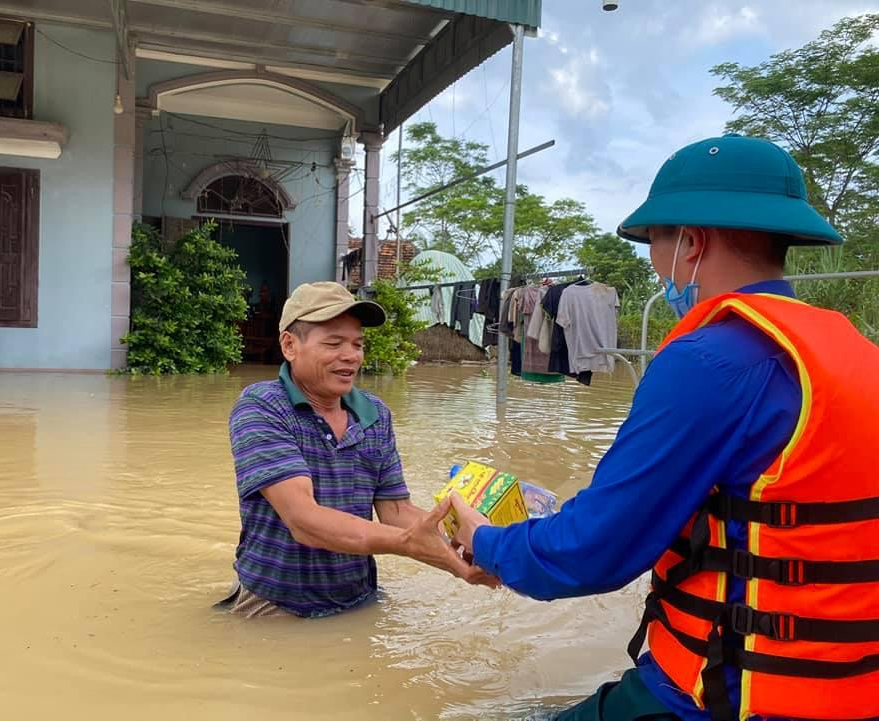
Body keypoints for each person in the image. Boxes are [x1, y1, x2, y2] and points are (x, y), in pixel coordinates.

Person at [448, 135, 879, 721]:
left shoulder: (710, 360)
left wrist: (487, 542)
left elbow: (593, 554)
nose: (658, 267)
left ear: (692, 244)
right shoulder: (850, 349)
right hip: (849, 688)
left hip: (727, 696)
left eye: (657, 243)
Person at [221, 281, 494, 619]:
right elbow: (304, 521)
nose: (351, 356)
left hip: (359, 596)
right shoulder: (262, 407)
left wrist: (474, 544)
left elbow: (396, 511)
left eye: (357, 344)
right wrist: (409, 543)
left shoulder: (374, 414)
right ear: (290, 346)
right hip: (276, 603)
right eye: (334, 343)